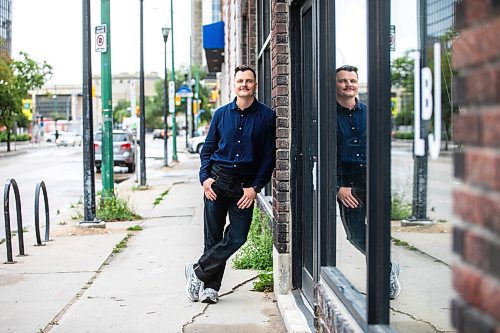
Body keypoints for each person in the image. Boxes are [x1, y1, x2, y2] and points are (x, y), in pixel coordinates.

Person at [185, 65, 276, 304]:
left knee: (237, 237)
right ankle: (210, 289)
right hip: (217, 181)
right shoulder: (221, 114)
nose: (244, 85)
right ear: (234, 85)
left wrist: (255, 187)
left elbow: (269, 158)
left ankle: (197, 270)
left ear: (255, 85)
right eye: (240, 81)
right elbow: (208, 149)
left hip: (244, 188)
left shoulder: (267, 117)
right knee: (212, 237)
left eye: (248, 81)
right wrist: (204, 178)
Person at [335, 65, 401, 299]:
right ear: (336, 85)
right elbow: (324, 153)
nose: (348, 84)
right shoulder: (328, 116)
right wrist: (337, 187)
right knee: (355, 235)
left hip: (373, 179)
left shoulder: (371, 113)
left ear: (357, 83)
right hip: (348, 184)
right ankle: (389, 265)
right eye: (343, 80)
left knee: (378, 231)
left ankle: (385, 273)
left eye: (352, 80)